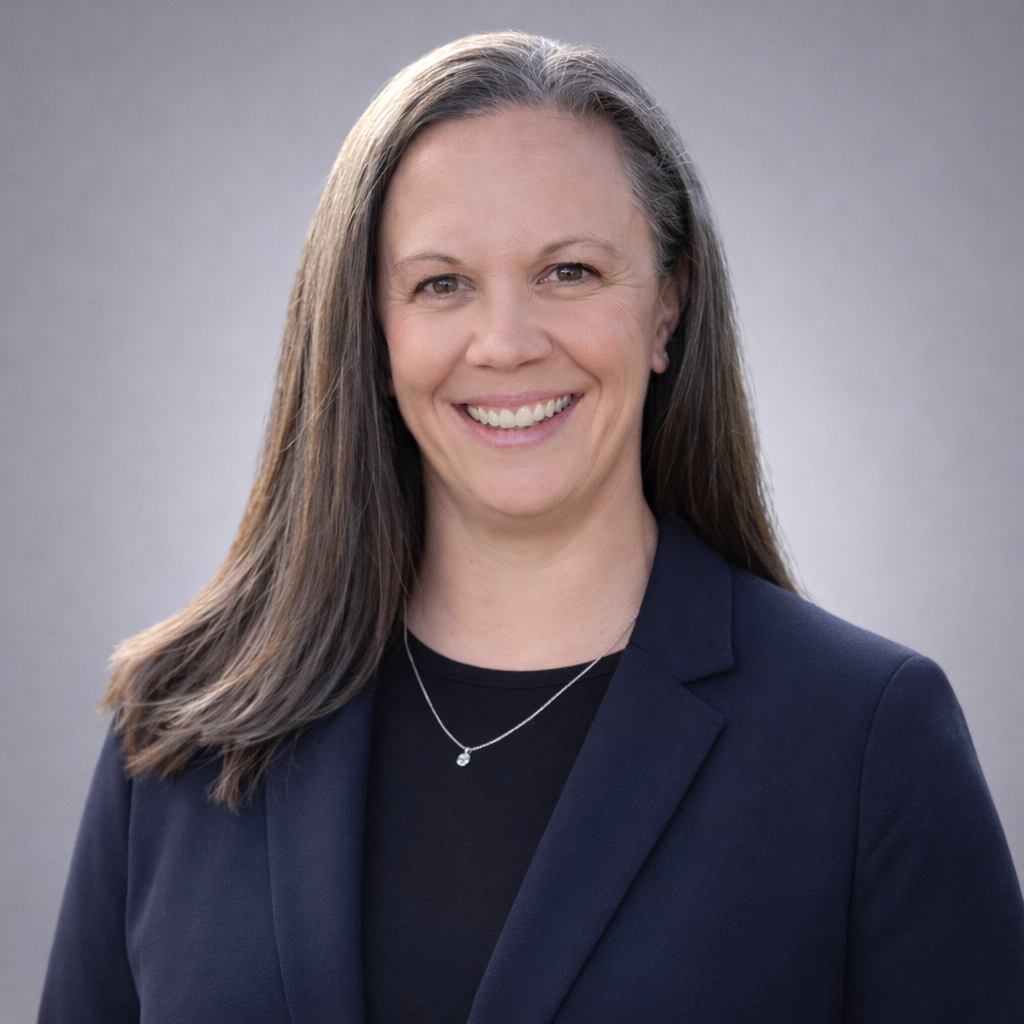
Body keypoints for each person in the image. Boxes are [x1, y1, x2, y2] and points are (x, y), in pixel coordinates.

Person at [39, 31, 1023, 1024]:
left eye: (569, 272)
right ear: (373, 336)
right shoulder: (178, 734)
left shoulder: (864, 741)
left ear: (668, 306)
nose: (505, 343)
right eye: (440, 284)